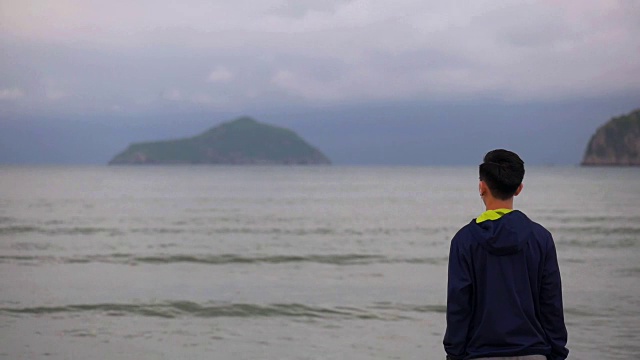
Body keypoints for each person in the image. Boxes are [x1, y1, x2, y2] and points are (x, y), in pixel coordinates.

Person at [443, 149, 569, 360]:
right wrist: (557, 353)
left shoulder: (464, 241)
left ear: (481, 187)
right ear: (519, 189)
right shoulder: (541, 238)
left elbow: (459, 307)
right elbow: (551, 305)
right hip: (535, 352)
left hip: (481, 354)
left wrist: (454, 355)